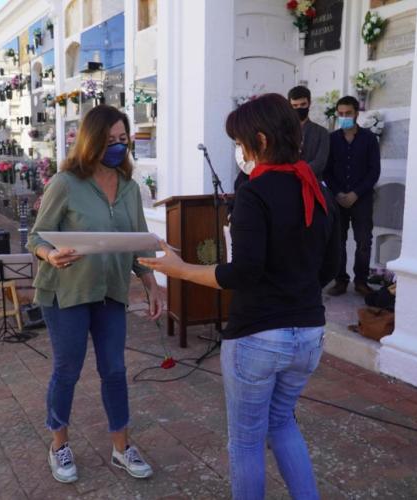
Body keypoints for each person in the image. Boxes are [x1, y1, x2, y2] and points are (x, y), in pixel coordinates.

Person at [139, 94, 340, 499]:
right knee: (282, 424)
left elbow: (242, 273)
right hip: (308, 334)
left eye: (239, 142)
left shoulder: (254, 192)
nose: (239, 152)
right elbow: (330, 269)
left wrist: (180, 270)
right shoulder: (318, 189)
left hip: (258, 337)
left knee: (247, 440)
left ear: (260, 140)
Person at [27, 105, 165, 484]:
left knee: (115, 370)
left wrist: (151, 284)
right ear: (92, 142)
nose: (118, 146)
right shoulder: (66, 183)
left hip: (110, 292)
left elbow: (139, 242)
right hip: (67, 292)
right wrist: (49, 254)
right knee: (67, 370)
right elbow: (36, 236)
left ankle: (122, 447)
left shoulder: (130, 188)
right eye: (109, 140)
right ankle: (59, 444)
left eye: (123, 139)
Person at [323, 95, 381, 297]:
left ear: (356, 114)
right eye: (341, 113)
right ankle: (340, 280)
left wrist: (356, 193)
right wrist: (338, 193)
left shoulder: (369, 139)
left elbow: (374, 171)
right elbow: (326, 171)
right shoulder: (331, 139)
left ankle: (361, 281)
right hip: (337, 199)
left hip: (361, 198)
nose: (344, 117)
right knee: (338, 241)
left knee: (364, 241)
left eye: (348, 113)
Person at [288, 85, 330, 181]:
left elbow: (320, 162)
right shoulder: (283, 132)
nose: (299, 108)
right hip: (288, 182)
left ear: (309, 103)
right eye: (295, 106)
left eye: (303, 104)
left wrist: (298, 173)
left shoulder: (322, 132)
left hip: (312, 182)